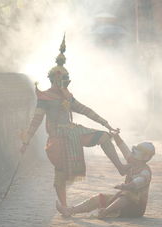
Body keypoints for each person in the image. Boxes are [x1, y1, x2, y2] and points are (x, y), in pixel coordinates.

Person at [20, 36, 128, 208]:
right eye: (64, 81)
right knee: (60, 174)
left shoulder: (68, 97)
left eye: (67, 81)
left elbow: (86, 110)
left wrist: (106, 124)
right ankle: (64, 206)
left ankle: (121, 168)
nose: (66, 84)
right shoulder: (45, 98)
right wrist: (26, 141)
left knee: (104, 137)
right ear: (55, 80)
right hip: (58, 139)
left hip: (74, 132)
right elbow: (36, 120)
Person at [56, 133, 155, 219]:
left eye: (135, 153)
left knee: (128, 195)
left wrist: (124, 187)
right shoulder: (133, 162)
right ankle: (70, 210)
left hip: (135, 209)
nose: (131, 155)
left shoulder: (145, 172)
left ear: (144, 157)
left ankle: (105, 211)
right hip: (122, 200)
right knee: (99, 198)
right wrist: (117, 137)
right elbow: (123, 148)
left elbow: (136, 183)